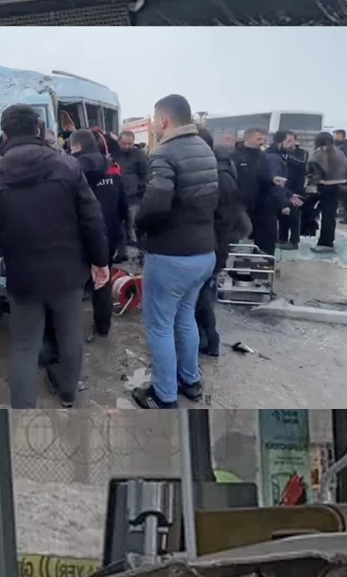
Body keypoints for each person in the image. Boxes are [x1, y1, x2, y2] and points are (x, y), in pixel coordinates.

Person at [0, 104, 110, 409]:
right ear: (37, 130)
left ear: (4, 135)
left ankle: (22, 413)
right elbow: (92, 219)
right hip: (68, 273)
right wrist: (100, 261)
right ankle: (69, 394)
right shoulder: (68, 166)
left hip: (23, 276)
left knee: (24, 345)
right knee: (70, 334)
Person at [130, 94, 219, 409]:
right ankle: (190, 381)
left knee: (159, 325)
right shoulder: (205, 149)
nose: (155, 125)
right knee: (185, 318)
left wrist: (137, 223)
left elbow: (156, 205)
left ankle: (164, 395)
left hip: (172, 256)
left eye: (156, 120)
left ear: (164, 121)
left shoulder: (165, 153)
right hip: (203, 253)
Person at [196, 126, 251, 357]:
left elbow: (221, 217)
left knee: (201, 298)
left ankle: (208, 342)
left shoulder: (217, 176)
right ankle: (206, 341)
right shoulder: (222, 170)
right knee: (203, 296)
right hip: (216, 245)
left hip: (212, 246)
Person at [68, 127, 128, 337]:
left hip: (81, 235)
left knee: (73, 284)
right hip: (109, 234)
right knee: (103, 279)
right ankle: (103, 326)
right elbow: (123, 205)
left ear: (76, 147)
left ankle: (69, 333)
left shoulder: (72, 169)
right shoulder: (113, 167)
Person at [233, 127, 287, 256]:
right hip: (240, 203)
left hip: (261, 202)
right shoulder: (234, 155)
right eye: (259, 139)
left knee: (266, 234)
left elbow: (262, 175)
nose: (262, 142)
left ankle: (263, 262)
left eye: (264, 139)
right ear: (247, 138)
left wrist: (272, 180)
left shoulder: (262, 155)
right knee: (237, 236)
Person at [309, 131, 347, 252]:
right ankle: (328, 242)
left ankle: (318, 238)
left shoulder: (318, 154)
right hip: (339, 186)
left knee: (314, 212)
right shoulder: (340, 153)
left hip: (323, 186)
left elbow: (314, 174)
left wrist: (310, 186)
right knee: (330, 216)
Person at [112, 130, 147, 260]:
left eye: (130, 144)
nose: (127, 146)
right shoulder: (114, 155)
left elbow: (145, 176)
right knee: (120, 226)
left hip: (135, 196)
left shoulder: (140, 156)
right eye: (124, 143)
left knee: (135, 226)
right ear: (119, 142)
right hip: (119, 195)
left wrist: (142, 192)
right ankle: (122, 253)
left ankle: (141, 253)